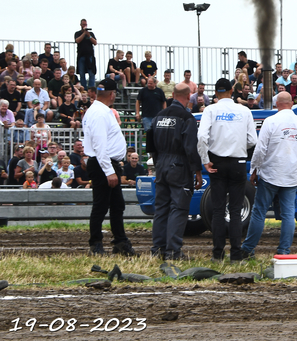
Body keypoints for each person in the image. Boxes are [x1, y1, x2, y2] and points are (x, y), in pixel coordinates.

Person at [241, 92, 297, 258]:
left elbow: (260, 149)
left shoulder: (270, 122)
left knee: (259, 212)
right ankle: (284, 251)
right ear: (292, 103)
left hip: (270, 174)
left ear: (277, 104)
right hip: (291, 176)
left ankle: (248, 249)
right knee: (288, 214)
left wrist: (254, 169)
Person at [197, 78, 257, 263]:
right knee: (236, 210)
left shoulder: (210, 110)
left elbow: (201, 137)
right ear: (232, 90)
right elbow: (253, 140)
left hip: (217, 163)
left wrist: (206, 161)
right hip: (238, 162)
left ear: (215, 93)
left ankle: (217, 254)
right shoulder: (244, 110)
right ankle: (236, 255)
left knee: (217, 210)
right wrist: (238, 147)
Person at [146, 83, 203, 260]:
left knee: (161, 208)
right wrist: (197, 171)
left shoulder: (158, 116)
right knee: (178, 209)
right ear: (187, 97)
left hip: (161, 163)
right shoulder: (186, 118)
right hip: (179, 165)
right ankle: (173, 251)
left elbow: (150, 144)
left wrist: (157, 165)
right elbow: (190, 147)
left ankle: (158, 249)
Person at [82, 78, 137, 256]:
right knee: (101, 205)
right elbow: (99, 146)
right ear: (112, 95)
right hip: (103, 164)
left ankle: (120, 241)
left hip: (106, 163)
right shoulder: (100, 113)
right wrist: (109, 171)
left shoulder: (98, 111)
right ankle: (96, 244)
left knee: (116, 204)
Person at [74, 19, 97, 88]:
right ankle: (83, 89)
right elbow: (77, 40)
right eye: (83, 24)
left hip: (90, 56)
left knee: (91, 73)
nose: (85, 26)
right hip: (81, 56)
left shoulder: (91, 34)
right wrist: (84, 33)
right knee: (82, 74)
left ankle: (91, 88)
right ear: (81, 25)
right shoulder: (77, 33)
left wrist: (89, 35)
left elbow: (95, 42)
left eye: (85, 24)